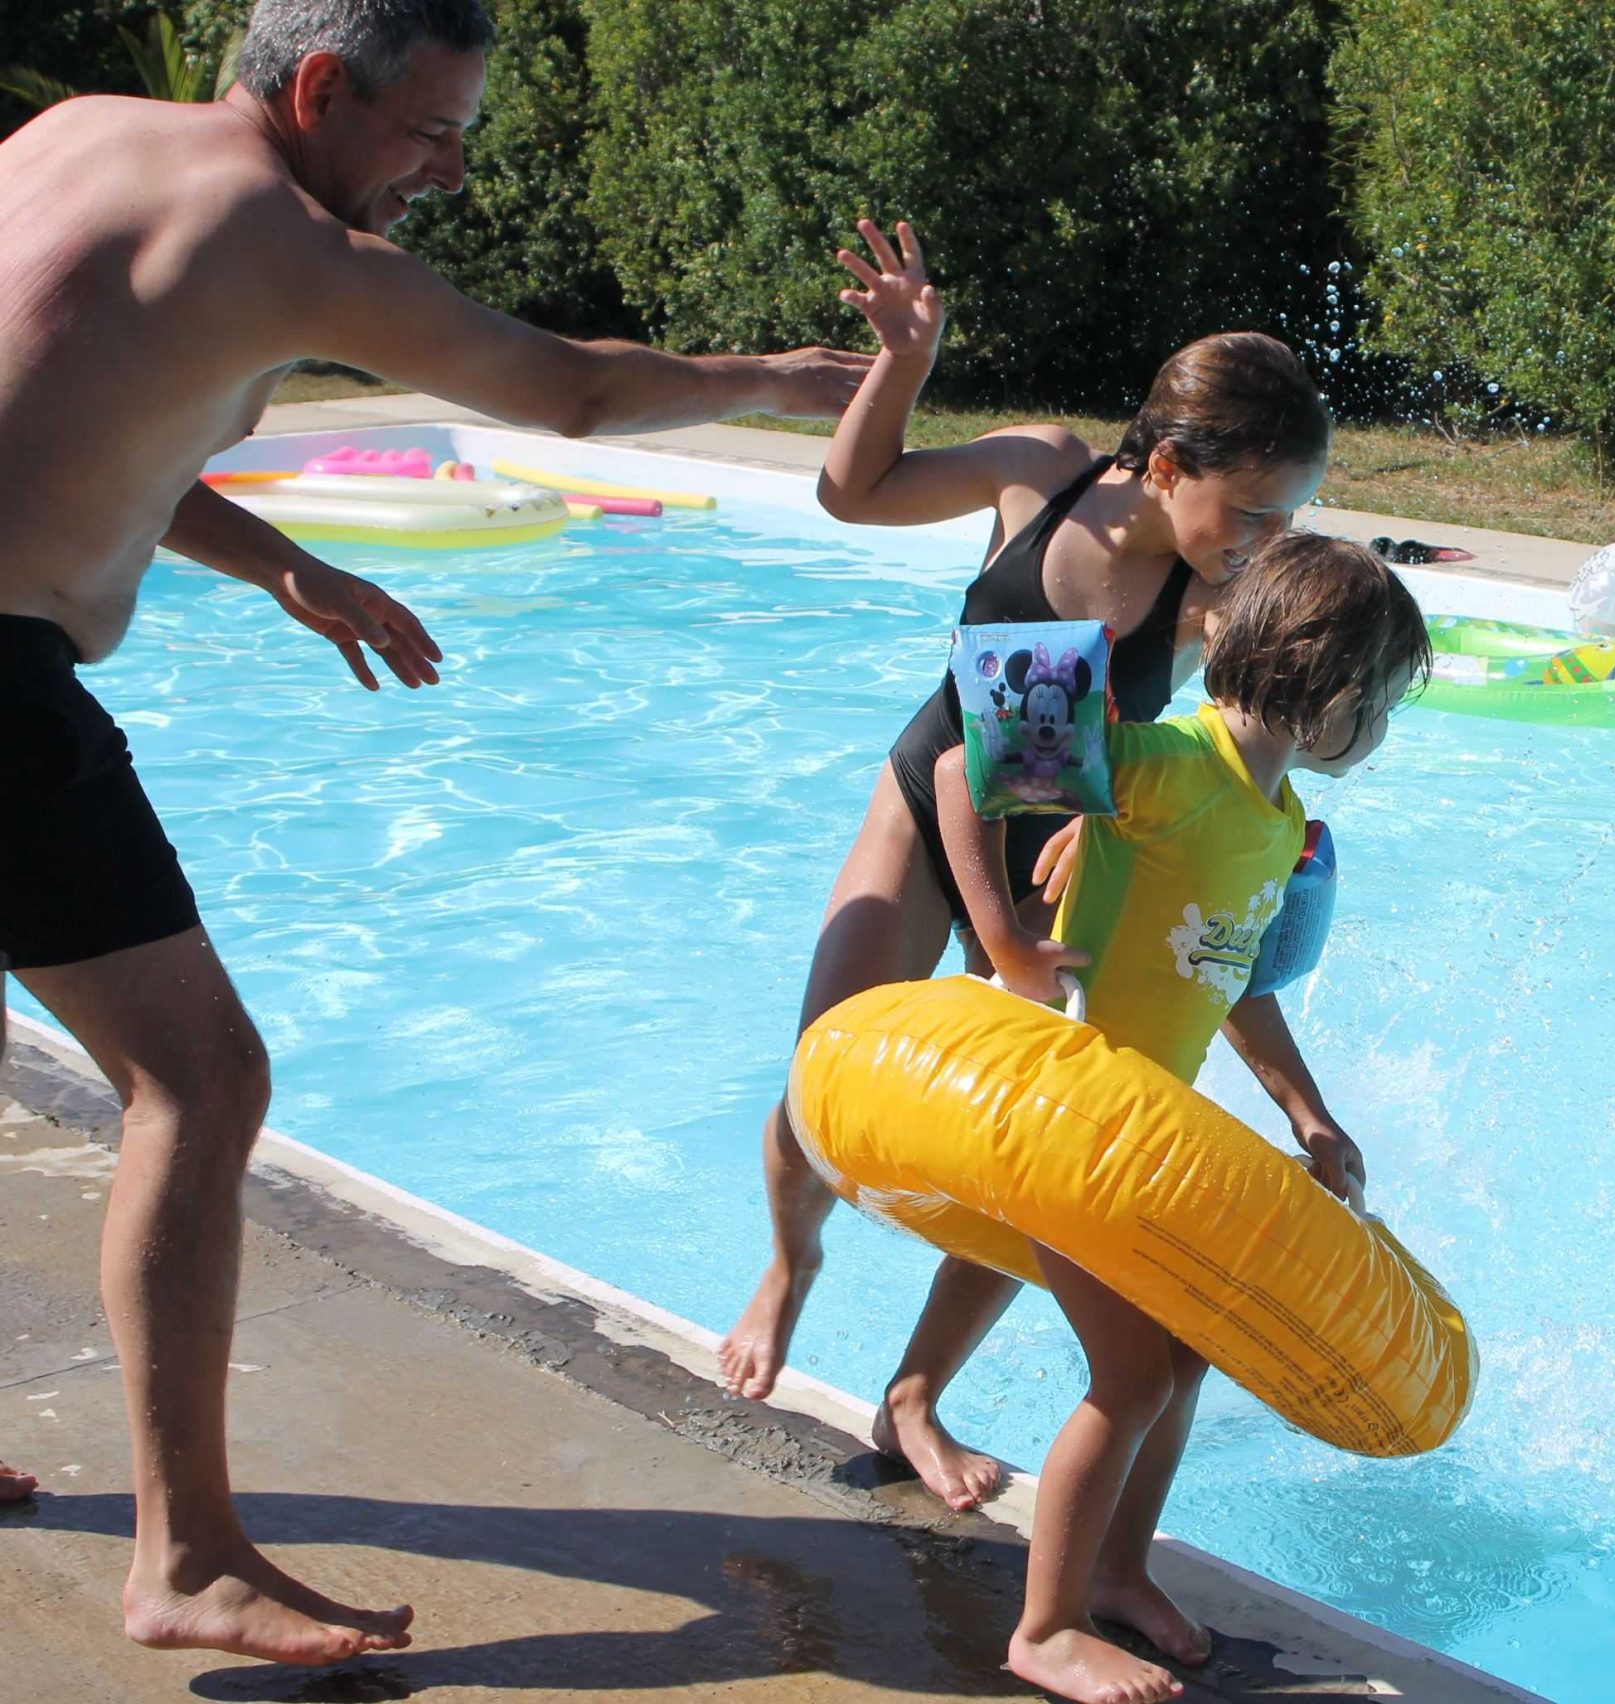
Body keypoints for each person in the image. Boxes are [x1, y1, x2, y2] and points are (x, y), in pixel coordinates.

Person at [0, 0, 869, 1665]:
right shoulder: (278, 232)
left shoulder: (76, 140)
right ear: (323, 87)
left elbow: (75, 418)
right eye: (434, 131)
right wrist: (782, 377)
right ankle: (187, 1560)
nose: (451, 174)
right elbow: (573, 390)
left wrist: (284, 562)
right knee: (201, 1080)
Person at [714, 219, 1348, 1512]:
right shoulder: (1040, 472)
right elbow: (852, 494)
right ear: (1166, 464)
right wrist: (903, 365)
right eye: (1253, 509)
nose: (1266, 536)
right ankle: (790, 1264)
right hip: (932, 802)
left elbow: (1273, 723)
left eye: (1289, 515)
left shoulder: (1218, 597)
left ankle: (913, 1396)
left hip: (1060, 859)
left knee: (1038, 1163)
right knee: (820, 1077)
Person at [930, 533, 1430, 1704]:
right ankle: (1045, 1628)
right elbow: (962, 766)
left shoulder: (1274, 817)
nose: (1384, 732)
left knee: (1183, 1351)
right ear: (1333, 693)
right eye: (1385, 706)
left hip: (1137, 1132)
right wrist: (1004, 943)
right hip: (1065, 1112)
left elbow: (1233, 980)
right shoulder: (1168, 767)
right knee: (1131, 1378)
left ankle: (1114, 1572)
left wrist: (1310, 1114)